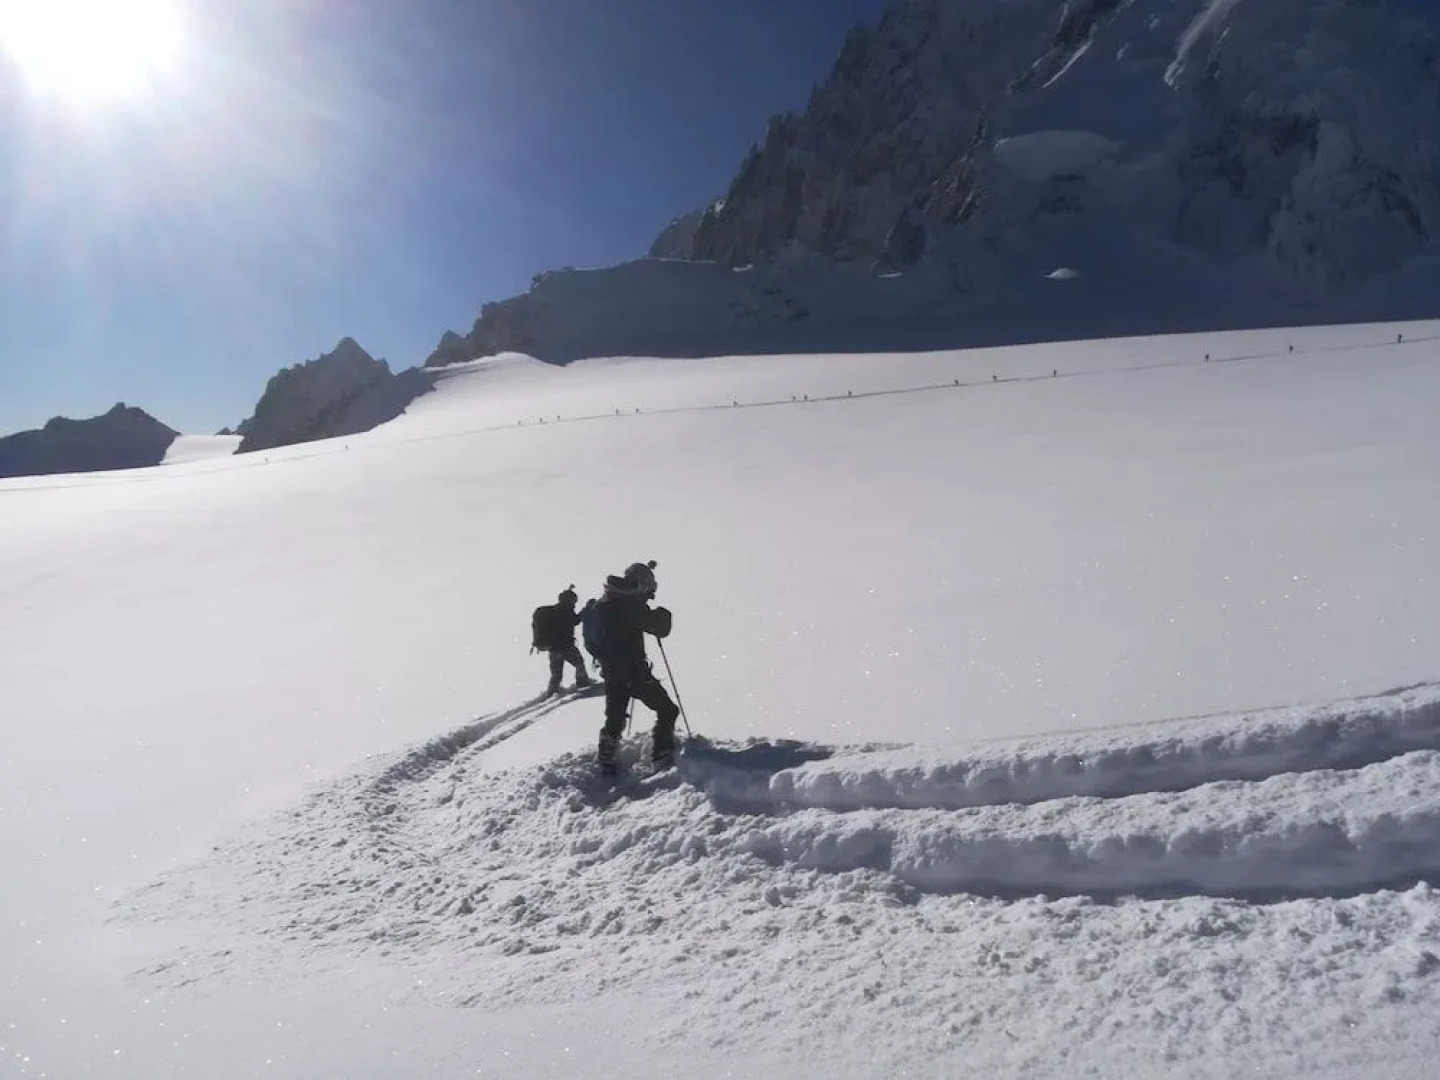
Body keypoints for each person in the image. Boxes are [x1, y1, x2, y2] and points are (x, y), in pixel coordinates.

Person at [590, 560, 678, 774]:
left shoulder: (607, 599)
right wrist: (661, 613)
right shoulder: (629, 604)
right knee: (668, 710)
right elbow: (660, 628)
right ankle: (662, 755)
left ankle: (606, 760)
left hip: (611, 671)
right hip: (634, 672)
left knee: (614, 718)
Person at [532, 586, 593, 697]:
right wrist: (587, 608)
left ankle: (551, 693)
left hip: (553, 649)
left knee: (556, 674)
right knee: (579, 663)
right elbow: (576, 620)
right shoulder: (566, 611)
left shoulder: (553, 611)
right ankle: (583, 685)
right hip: (566, 647)